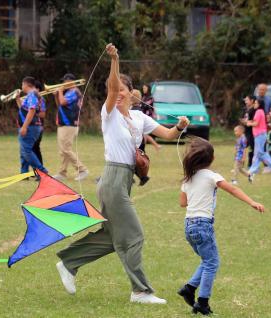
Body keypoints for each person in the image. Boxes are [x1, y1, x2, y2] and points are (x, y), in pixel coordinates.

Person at [56, 43, 190, 305]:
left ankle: (69, 263)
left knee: (112, 237)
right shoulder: (109, 115)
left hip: (124, 180)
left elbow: (168, 135)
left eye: (122, 90)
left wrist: (181, 125)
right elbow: (110, 85)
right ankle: (140, 291)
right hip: (112, 180)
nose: (117, 93)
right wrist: (115, 60)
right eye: (115, 90)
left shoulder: (140, 117)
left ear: (132, 93)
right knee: (135, 235)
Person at [177, 137, 265, 315]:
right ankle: (202, 302)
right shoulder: (212, 176)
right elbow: (232, 189)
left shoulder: (188, 179)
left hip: (189, 226)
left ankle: (189, 288)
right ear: (211, 159)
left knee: (207, 260)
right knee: (212, 263)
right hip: (203, 225)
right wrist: (251, 202)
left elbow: (182, 203)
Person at [52, 73, 89, 181]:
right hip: (64, 124)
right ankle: (62, 173)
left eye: (65, 81)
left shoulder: (74, 92)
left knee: (66, 149)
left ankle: (82, 169)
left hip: (69, 124)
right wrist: (56, 95)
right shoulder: (69, 92)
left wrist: (59, 92)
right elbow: (59, 104)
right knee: (63, 150)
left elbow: (63, 102)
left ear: (71, 81)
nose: (63, 83)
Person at [16, 76, 49, 175]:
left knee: (26, 152)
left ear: (26, 84)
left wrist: (24, 127)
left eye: (22, 84)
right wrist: (18, 99)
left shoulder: (32, 95)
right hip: (31, 126)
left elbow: (32, 110)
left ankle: (42, 172)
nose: (22, 87)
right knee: (24, 151)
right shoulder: (32, 95)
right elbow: (24, 109)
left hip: (31, 127)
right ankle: (25, 173)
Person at [246, 98, 271, 183]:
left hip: (260, 135)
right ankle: (254, 169)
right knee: (258, 153)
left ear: (259, 104)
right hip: (260, 134)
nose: (255, 104)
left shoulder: (258, 111)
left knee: (259, 153)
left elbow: (256, 123)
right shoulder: (261, 112)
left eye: (256, 103)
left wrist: (249, 123)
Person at [31, 80, 46, 168]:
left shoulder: (41, 99)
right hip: (32, 126)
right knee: (32, 149)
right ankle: (36, 170)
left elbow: (43, 114)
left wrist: (31, 113)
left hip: (38, 127)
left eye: (33, 88)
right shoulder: (31, 98)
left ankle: (40, 170)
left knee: (36, 148)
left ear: (38, 89)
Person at [241, 96, 256, 167]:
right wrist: (243, 121)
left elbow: (256, 120)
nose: (245, 101)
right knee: (242, 147)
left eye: (247, 100)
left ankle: (250, 165)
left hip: (252, 132)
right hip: (245, 131)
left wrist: (248, 122)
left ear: (252, 100)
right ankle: (240, 165)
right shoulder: (245, 109)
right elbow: (242, 118)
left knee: (252, 149)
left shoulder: (255, 110)